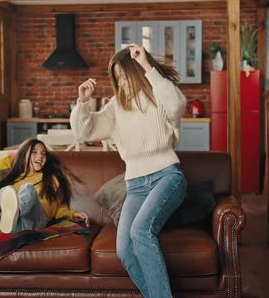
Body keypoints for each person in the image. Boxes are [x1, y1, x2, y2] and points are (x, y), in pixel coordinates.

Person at [70, 44, 188, 298]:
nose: (121, 83)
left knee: (140, 231)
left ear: (136, 72)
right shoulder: (115, 107)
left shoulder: (158, 92)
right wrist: (83, 102)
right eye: (117, 78)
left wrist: (148, 66)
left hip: (167, 176)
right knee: (124, 250)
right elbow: (85, 132)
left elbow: (177, 105)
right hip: (135, 185)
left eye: (125, 75)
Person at [0, 139, 90, 240]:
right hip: (11, 225)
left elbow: (60, 209)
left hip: (35, 221)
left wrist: (73, 214)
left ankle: (15, 212)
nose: (40, 156)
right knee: (7, 190)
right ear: (23, 156)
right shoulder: (13, 178)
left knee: (28, 188)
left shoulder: (52, 179)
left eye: (43, 153)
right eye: (34, 152)